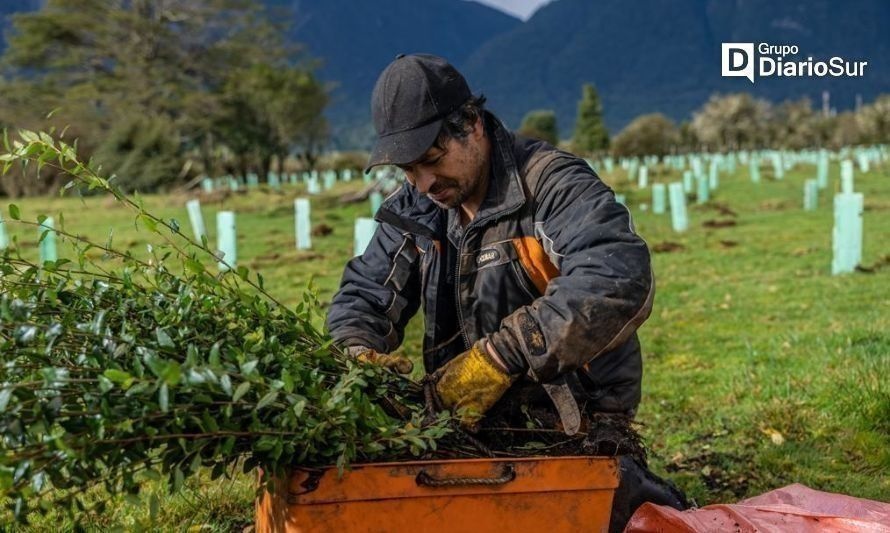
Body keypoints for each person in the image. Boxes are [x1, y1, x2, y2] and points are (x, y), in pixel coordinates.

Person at [327, 53, 686, 530]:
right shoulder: (417, 205)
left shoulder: (552, 185)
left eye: (433, 160)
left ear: (472, 124)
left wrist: (504, 353)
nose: (425, 183)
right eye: (409, 170)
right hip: (459, 420)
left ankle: (630, 480)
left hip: (571, 418)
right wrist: (357, 353)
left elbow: (617, 276)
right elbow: (364, 294)